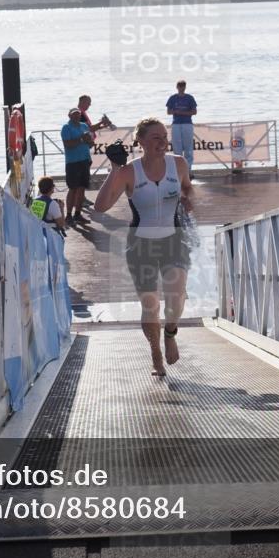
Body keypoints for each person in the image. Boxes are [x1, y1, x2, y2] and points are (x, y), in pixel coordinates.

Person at [94, 118, 194, 377]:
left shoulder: (179, 164)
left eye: (165, 136)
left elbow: (188, 188)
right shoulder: (129, 171)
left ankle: (170, 332)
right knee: (150, 305)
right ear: (141, 142)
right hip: (141, 244)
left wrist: (189, 199)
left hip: (173, 240)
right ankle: (155, 354)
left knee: (176, 296)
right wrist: (115, 169)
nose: (163, 142)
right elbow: (101, 206)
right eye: (156, 138)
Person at [61, 107, 94, 226]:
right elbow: (68, 144)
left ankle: (78, 214)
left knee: (81, 188)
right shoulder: (66, 128)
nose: (77, 116)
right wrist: (81, 139)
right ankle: (68, 215)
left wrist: (89, 141)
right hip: (72, 162)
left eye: (78, 114)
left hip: (85, 160)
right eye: (74, 114)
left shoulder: (84, 126)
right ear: (69, 116)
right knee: (73, 188)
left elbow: (90, 144)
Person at [166, 80, 197, 172]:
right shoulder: (172, 98)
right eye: (180, 86)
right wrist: (176, 112)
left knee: (188, 146)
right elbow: (168, 111)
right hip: (176, 124)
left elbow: (194, 111)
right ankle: (178, 169)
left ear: (185, 87)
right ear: (177, 87)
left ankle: (188, 169)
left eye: (183, 86)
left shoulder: (190, 98)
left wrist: (183, 113)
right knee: (177, 147)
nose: (181, 88)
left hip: (187, 123)